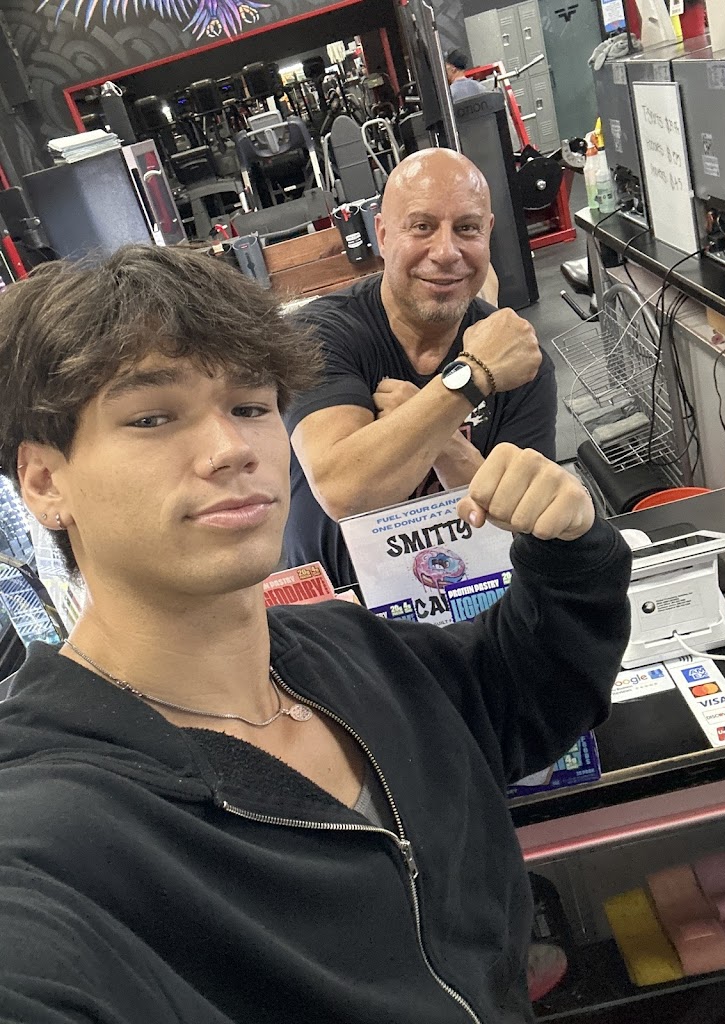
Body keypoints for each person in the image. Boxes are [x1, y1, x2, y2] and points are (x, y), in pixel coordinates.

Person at [0, 244, 631, 1024]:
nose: (232, 450)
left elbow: (523, 697)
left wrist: (569, 556)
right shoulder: (49, 829)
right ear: (44, 481)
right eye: (153, 417)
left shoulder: (348, 647)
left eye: (250, 406)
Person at [284, 148, 557, 589]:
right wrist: (469, 380)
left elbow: (518, 529)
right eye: (422, 226)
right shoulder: (321, 333)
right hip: (339, 611)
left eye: (466, 228)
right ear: (382, 234)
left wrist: (441, 438)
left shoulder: (518, 359)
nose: (446, 252)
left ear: (488, 233)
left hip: (473, 597)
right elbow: (345, 492)